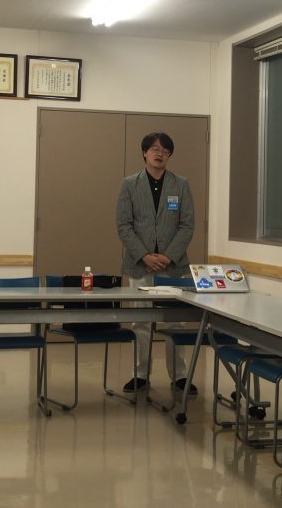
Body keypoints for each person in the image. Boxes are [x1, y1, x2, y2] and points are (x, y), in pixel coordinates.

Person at [114, 132, 195, 394]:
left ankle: (180, 375)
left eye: (165, 150)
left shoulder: (180, 184)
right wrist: (145, 255)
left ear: (169, 155)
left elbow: (187, 225)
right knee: (141, 321)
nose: (160, 154)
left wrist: (168, 256)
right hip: (140, 265)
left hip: (173, 266)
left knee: (175, 322)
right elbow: (124, 225)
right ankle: (140, 374)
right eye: (154, 149)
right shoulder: (130, 184)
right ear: (144, 153)